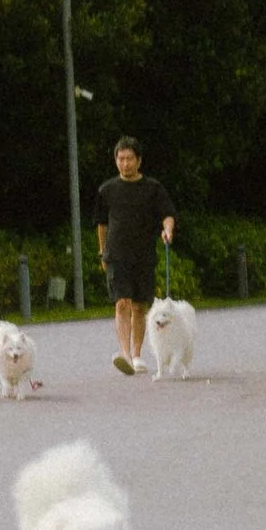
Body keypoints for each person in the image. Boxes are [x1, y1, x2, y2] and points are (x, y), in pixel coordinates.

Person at [94, 138, 173, 375]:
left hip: (144, 254)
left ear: (139, 160)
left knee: (139, 306)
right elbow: (101, 224)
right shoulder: (106, 189)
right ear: (115, 160)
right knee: (121, 303)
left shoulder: (153, 188)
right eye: (120, 159)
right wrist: (102, 251)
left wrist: (167, 229)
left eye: (129, 159)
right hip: (116, 254)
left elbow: (167, 214)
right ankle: (125, 354)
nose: (125, 163)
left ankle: (137, 354)